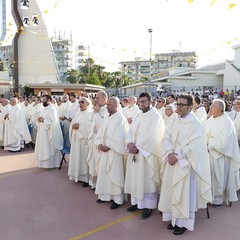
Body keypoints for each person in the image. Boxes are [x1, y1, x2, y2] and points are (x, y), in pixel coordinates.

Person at [158, 94, 212, 235]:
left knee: (183, 194)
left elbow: (196, 145)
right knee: (172, 191)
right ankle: (172, 218)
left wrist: (179, 155)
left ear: (190, 107)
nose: (179, 108)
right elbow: (166, 136)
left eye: (182, 105)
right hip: (172, 161)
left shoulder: (195, 124)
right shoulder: (175, 119)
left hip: (185, 164)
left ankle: (183, 222)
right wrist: (169, 153)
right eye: (178, 104)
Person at [124, 92, 165, 219]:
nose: (141, 104)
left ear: (150, 102)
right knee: (136, 179)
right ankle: (137, 203)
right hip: (135, 153)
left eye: (144, 102)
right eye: (140, 102)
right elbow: (130, 131)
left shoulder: (156, 117)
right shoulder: (138, 116)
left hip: (147, 154)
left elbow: (153, 136)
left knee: (147, 180)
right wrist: (130, 144)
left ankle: (148, 206)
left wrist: (137, 146)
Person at [204, 99, 240, 207]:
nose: (210, 108)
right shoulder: (210, 119)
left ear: (219, 109)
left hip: (220, 155)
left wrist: (209, 145)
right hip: (208, 154)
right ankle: (209, 197)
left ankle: (218, 200)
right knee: (209, 177)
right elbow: (204, 134)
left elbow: (225, 143)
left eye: (212, 106)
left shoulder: (227, 122)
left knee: (219, 177)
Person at [94, 97, 128, 209]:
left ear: (116, 105)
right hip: (104, 151)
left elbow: (120, 136)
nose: (107, 106)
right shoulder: (107, 118)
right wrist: (99, 143)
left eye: (109, 105)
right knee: (104, 173)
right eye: (107, 104)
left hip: (114, 152)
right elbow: (100, 133)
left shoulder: (120, 119)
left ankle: (117, 199)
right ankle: (104, 196)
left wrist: (108, 146)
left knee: (114, 174)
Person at [68, 97, 94, 185]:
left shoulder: (90, 113)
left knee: (84, 159)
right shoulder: (78, 112)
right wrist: (73, 127)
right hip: (76, 140)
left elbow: (90, 128)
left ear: (88, 104)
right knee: (76, 157)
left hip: (83, 141)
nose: (80, 104)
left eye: (82, 102)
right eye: (79, 102)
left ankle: (86, 178)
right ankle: (77, 175)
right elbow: (73, 124)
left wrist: (80, 127)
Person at [86, 91, 109, 189]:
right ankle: (93, 183)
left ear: (104, 99)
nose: (96, 99)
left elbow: (102, 127)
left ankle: (100, 185)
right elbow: (91, 125)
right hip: (93, 140)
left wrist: (96, 112)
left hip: (101, 141)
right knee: (93, 162)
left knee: (99, 163)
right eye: (95, 97)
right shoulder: (96, 109)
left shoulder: (108, 110)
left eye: (98, 97)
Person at [34, 95, 63, 169]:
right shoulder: (43, 109)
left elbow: (53, 121)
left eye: (44, 99)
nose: (43, 101)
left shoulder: (52, 109)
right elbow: (41, 119)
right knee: (43, 147)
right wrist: (39, 120)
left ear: (49, 100)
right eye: (42, 99)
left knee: (49, 148)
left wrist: (43, 120)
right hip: (42, 132)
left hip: (50, 133)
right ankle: (44, 164)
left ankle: (52, 165)